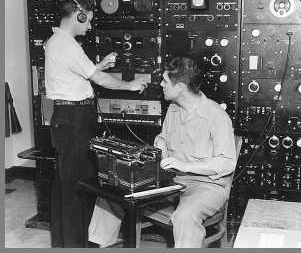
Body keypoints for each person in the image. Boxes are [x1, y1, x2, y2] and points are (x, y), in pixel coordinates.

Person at [88, 56, 236, 248]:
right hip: (170, 180)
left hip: (206, 186)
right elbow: (163, 138)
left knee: (185, 216)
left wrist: (185, 165)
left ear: (181, 87)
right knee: (111, 192)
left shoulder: (217, 117)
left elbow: (226, 163)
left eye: (165, 81)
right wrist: (160, 148)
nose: (160, 84)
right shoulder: (174, 109)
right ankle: (99, 246)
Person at [44, 0, 147, 248]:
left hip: (68, 117)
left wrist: (99, 65)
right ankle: (75, 245)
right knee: (77, 187)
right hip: (74, 119)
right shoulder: (67, 45)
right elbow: (99, 80)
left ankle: (65, 242)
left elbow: (77, 74)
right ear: (78, 16)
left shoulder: (58, 42)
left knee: (67, 183)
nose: (89, 27)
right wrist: (130, 86)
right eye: (87, 21)